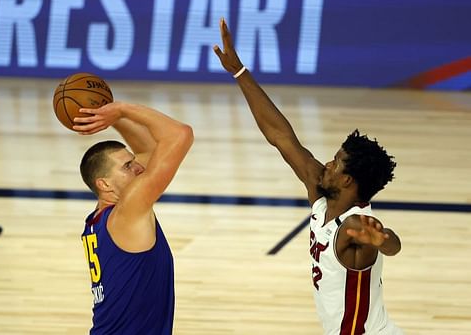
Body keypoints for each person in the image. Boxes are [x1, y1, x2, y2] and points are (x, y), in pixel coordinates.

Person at [213, 18, 403, 334]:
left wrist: (381, 240)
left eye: (337, 162)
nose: (328, 163)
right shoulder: (321, 194)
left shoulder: (354, 227)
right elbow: (281, 136)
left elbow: (393, 245)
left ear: (347, 181)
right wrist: (239, 72)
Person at [73, 101, 194, 334]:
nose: (138, 168)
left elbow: (148, 151)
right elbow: (180, 134)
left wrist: (112, 118)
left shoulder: (97, 220)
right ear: (104, 184)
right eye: (127, 166)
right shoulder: (129, 211)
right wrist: (122, 110)